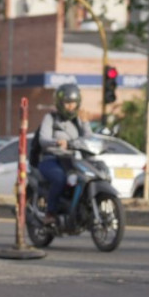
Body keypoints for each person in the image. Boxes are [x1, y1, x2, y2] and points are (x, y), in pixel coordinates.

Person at [36, 83, 91, 224]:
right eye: (67, 103)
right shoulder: (50, 118)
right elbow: (43, 139)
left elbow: (88, 139)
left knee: (87, 178)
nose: (71, 106)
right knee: (60, 178)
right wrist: (57, 142)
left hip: (72, 160)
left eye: (73, 103)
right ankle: (50, 212)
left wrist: (85, 123)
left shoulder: (78, 120)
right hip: (51, 159)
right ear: (60, 103)